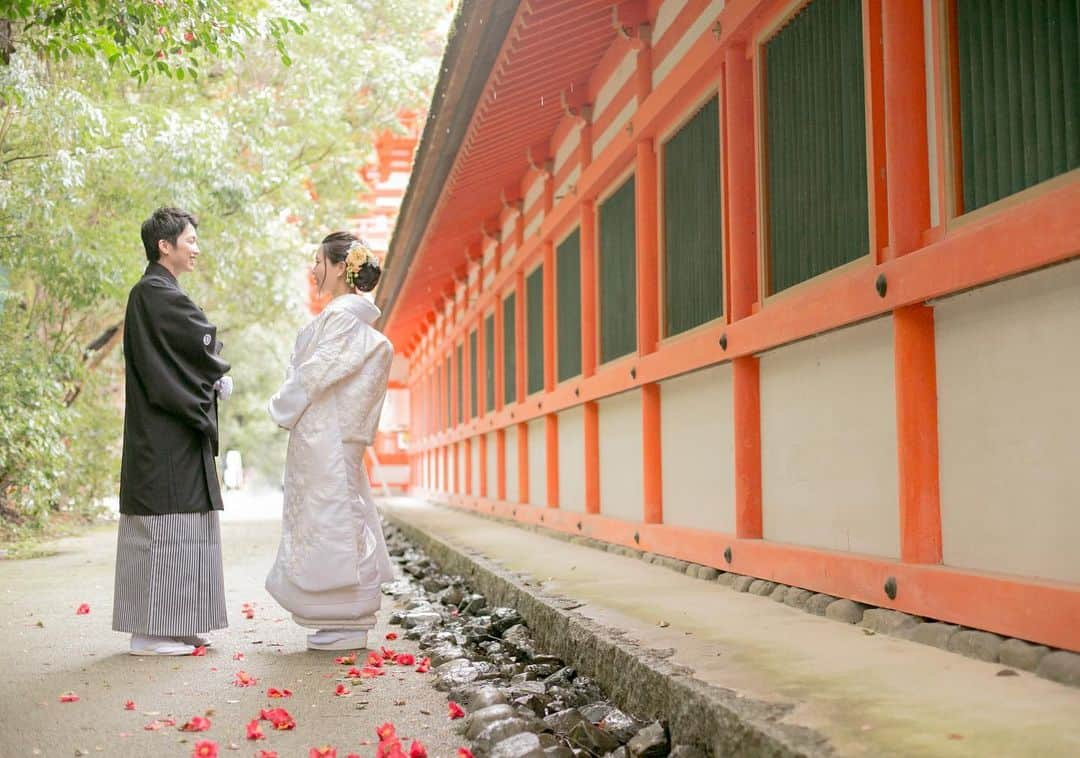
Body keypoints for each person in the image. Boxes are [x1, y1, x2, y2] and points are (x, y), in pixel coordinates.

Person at [112, 207, 233, 656]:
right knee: (163, 527)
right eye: (190, 240)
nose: (196, 248)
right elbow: (196, 339)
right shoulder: (154, 292)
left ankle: (176, 623)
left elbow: (184, 347)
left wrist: (208, 376)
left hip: (173, 429)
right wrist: (213, 373)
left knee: (182, 526)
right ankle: (149, 632)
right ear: (165, 245)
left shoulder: (156, 292)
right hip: (162, 433)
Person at [266, 232, 394, 651]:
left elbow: (313, 374)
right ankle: (341, 613)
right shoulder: (349, 318)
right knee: (336, 517)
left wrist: (281, 406)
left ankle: (347, 614)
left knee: (333, 520)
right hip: (331, 435)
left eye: (320, 261)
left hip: (329, 435)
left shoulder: (341, 319)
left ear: (341, 267)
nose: (315, 269)